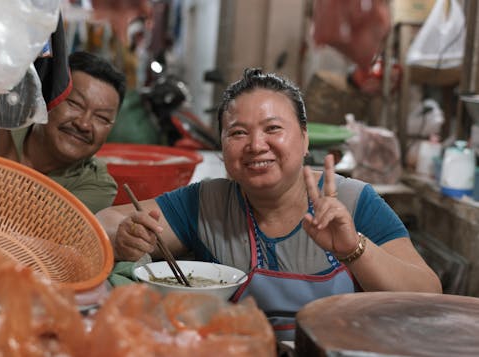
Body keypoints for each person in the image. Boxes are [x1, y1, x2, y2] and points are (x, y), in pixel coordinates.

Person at [96, 68, 442, 341]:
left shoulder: (354, 201)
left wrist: (355, 249)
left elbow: (427, 295)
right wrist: (125, 236)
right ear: (222, 147)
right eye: (238, 133)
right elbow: (105, 220)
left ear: (305, 138)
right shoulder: (206, 203)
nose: (256, 145)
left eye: (272, 128)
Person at [0, 51, 127, 213]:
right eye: (75, 104)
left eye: (102, 118)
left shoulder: (96, 185)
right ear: (45, 97)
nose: (84, 124)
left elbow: (32, 227)